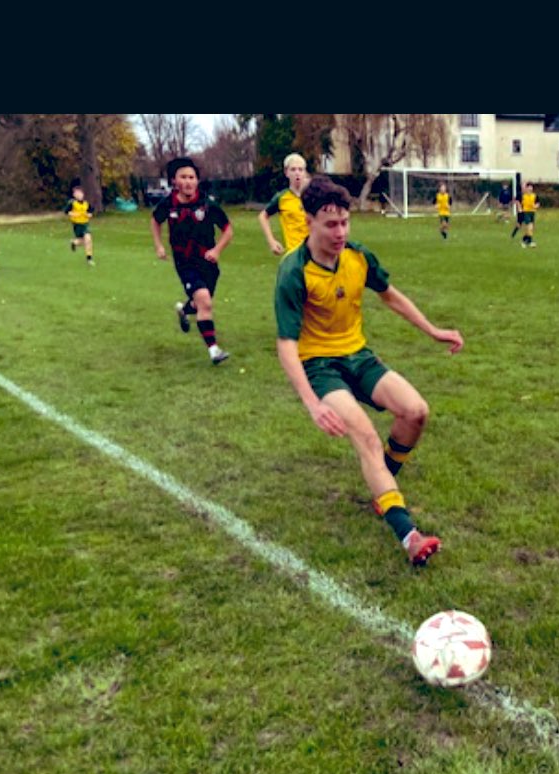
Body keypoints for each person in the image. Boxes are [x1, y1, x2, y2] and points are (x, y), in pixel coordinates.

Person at [273, 176, 464, 567]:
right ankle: (409, 535)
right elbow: (286, 344)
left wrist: (433, 330)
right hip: (320, 367)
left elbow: (390, 296)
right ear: (308, 222)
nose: (340, 232)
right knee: (366, 438)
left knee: (416, 411)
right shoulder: (293, 271)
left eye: (345, 222)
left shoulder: (358, 257)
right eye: (330, 224)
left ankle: (383, 485)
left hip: (358, 356)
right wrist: (312, 403)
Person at [151, 157, 234, 366]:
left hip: (208, 262)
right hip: (185, 262)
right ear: (174, 181)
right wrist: (159, 245)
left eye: (192, 177)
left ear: (197, 180)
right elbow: (155, 220)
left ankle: (184, 309)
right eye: (183, 177)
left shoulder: (207, 204)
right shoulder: (168, 204)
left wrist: (217, 250)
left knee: (200, 304)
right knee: (205, 302)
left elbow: (228, 230)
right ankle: (214, 351)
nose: (188, 181)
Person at [258, 153, 310, 255]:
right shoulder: (282, 198)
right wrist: (271, 241)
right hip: (294, 253)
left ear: (305, 173)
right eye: (293, 169)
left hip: (315, 252)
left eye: (300, 170)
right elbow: (263, 216)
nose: (297, 173)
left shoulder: (314, 196)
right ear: (286, 173)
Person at [65, 185, 95, 265]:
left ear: (83, 194)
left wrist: (89, 215)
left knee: (88, 239)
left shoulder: (86, 203)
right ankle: (74, 243)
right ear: (74, 195)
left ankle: (89, 258)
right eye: (77, 193)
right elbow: (66, 212)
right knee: (83, 241)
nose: (79, 195)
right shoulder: (72, 203)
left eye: (80, 193)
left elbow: (91, 212)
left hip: (85, 224)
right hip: (77, 225)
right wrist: (73, 214)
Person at [513, 182, 538, 246]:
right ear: (526, 188)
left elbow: (537, 203)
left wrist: (535, 206)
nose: (530, 189)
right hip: (525, 212)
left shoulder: (534, 195)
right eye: (529, 187)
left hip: (532, 212)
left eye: (531, 187)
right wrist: (519, 208)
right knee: (528, 226)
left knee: (531, 228)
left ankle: (525, 240)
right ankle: (530, 241)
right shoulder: (523, 195)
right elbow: (517, 201)